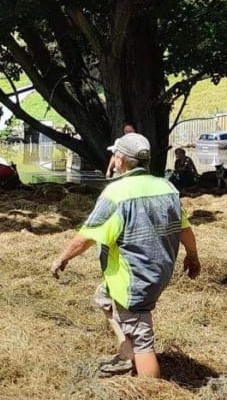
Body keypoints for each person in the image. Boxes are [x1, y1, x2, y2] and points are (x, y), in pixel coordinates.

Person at [50, 132, 201, 379]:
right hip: (158, 269)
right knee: (104, 297)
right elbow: (185, 229)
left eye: (114, 155)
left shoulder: (116, 193)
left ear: (119, 159)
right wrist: (193, 256)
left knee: (142, 336)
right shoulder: (166, 187)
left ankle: (151, 392)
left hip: (133, 279)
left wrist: (62, 258)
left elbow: (86, 236)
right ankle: (126, 352)